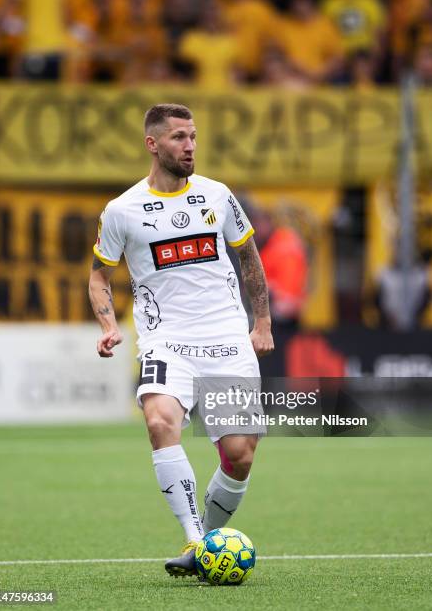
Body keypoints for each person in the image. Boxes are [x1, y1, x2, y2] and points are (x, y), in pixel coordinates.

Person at [88, 103, 274, 577]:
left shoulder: (217, 195)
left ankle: (202, 546)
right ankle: (195, 539)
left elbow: (250, 260)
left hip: (227, 339)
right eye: (177, 137)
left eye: (192, 137)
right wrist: (110, 326)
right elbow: (98, 278)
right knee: (160, 421)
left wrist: (262, 324)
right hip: (166, 340)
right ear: (152, 144)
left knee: (239, 455)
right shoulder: (121, 211)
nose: (189, 146)